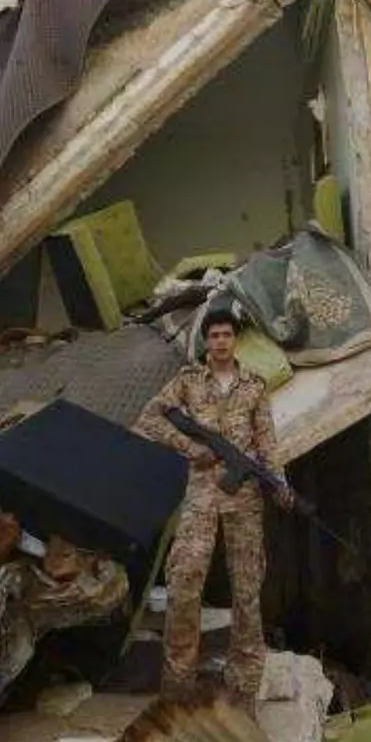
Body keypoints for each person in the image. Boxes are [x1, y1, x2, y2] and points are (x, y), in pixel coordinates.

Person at [133, 305, 293, 713]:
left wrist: (279, 482)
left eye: (226, 335)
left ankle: (243, 695)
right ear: (206, 341)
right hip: (201, 495)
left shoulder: (254, 386)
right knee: (184, 583)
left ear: (235, 340)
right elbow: (149, 419)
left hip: (244, 501)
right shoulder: (187, 383)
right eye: (214, 335)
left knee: (247, 593)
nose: (220, 342)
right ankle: (177, 695)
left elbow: (267, 442)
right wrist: (191, 448)